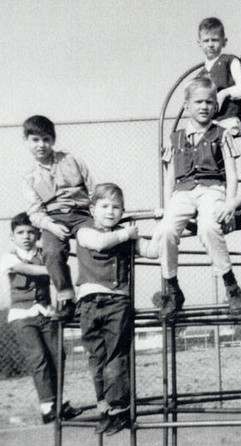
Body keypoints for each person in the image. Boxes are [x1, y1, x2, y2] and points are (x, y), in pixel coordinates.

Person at [151, 77, 241, 320]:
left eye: (209, 102)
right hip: (183, 192)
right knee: (166, 230)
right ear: (186, 105)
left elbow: (233, 175)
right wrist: (164, 205)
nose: (204, 106)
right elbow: (170, 178)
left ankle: (230, 284)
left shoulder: (222, 134)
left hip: (211, 189)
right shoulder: (176, 139)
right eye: (198, 102)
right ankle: (172, 288)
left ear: (215, 106)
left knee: (208, 225)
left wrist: (230, 202)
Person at [75, 183, 157, 435]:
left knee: (115, 357)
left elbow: (151, 251)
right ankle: (104, 408)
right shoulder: (84, 231)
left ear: (122, 211)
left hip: (117, 302)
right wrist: (126, 234)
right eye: (104, 206)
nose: (110, 212)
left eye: (116, 207)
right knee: (96, 358)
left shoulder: (125, 234)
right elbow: (99, 243)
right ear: (92, 209)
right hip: (89, 302)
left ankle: (119, 410)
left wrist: (165, 228)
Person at [0, 213, 82, 424]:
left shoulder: (45, 254)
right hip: (22, 315)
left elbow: (60, 280)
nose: (26, 236)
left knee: (57, 355)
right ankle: (47, 407)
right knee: (39, 359)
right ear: (12, 237)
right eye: (20, 233)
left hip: (46, 312)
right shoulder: (9, 257)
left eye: (30, 232)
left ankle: (59, 403)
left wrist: (58, 276)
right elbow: (26, 269)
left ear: (38, 234)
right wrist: (55, 270)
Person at [22, 115, 98, 322]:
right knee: (51, 252)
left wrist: (97, 215)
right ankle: (67, 299)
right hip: (53, 219)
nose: (41, 145)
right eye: (35, 140)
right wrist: (51, 226)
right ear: (26, 141)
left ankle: (89, 296)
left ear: (53, 141)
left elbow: (94, 190)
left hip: (82, 214)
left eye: (46, 139)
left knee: (90, 244)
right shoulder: (30, 177)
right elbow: (35, 212)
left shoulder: (72, 160)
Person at [196, 17, 241, 135]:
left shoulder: (229, 61)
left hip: (229, 119)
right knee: (194, 139)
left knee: (215, 137)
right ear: (199, 44)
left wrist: (224, 93)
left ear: (224, 41)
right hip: (209, 122)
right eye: (206, 41)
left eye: (215, 40)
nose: (210, 45)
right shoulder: (200, 75)